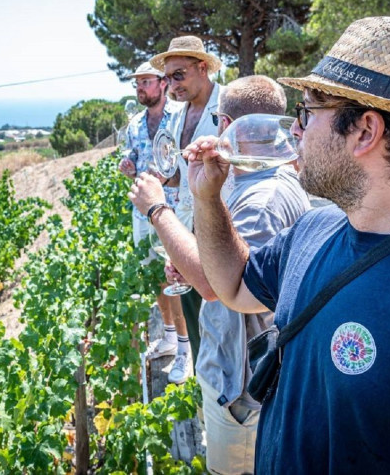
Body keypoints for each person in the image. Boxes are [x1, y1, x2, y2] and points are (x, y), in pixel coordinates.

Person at [187, 16, 390, 473]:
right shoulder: (312, 231)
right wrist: (207, 198)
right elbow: (234, 287)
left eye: (307, 111)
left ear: (365, 131)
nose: (294, 131)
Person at [129, 76, 310, 475]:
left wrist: (158, 210)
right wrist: (192, 259)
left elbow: (219, 287)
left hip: (241, 384)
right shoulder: (262, 178)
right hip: (246, 375)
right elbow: (226, 260)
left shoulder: (261, 201)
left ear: (225, 123)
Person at [147, 35, 224, 381]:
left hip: (222, 227)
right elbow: (179, 177)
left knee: (225, 314)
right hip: (187, 223)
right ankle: (204, 388)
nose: (171, 86)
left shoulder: (228, 107)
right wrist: (161, 181)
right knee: (193, 313)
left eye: (178, 75)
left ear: (202, 67)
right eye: (167, 79)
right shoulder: (176, 117)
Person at [117, 61, 191, 382]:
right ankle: (171, 337)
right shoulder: (134, 124)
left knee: (179, 277)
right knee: (156, 276)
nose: (140, 89)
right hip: (142, 213)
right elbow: (131, 157)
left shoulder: (181, 117)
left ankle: (187, 351)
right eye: (137, 84)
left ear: (162, 83)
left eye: (146, 82)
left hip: (173, 211)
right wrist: (128, 166)